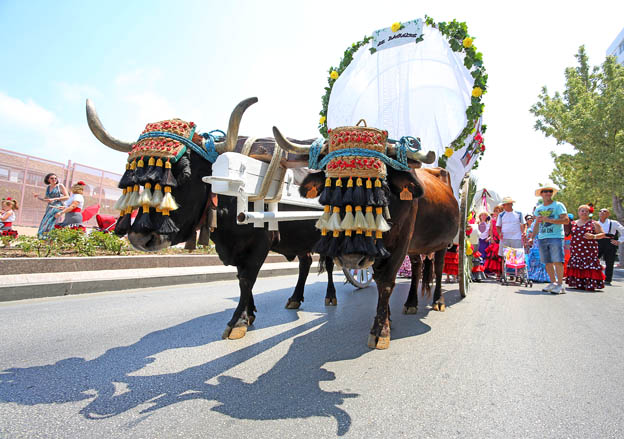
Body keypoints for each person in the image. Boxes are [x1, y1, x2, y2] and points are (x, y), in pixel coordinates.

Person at [529, 185, 569, 294]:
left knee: (557, 260)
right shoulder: (539, 209)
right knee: (547, 262)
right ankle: (553, 282)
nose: (547, 193)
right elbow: (537, 224)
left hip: (556, 236)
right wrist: (532, 237)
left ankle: (560, 285)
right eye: (545, 191)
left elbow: (566, 220)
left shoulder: (558, 205)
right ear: (541, 194)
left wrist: (549, 220)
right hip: (542, 237)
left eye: (549, 191)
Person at [566, 205, 606, 291]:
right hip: (576, 249)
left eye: (586, 211)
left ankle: (590, 283)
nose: (584, 213)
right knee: (577, 263)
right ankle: (578, 283)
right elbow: (566, 233)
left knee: (589, 265)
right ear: (578, 212)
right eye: (582, 211)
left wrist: (593, 236)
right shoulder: (573, 223)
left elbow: (603, 234)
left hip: (589, 250)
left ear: (589, 213)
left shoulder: (594, 223)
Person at [33, 173, 68, 238]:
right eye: (52, 178)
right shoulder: (48, 187)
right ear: (48, 180)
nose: (54, 179)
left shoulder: (60, 186)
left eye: (55, 178)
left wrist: (55, 198)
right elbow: (46, 199)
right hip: (49, 207)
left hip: (57, 206)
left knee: (50, 222)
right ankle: (43, 238)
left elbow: (67, 197)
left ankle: (48, 238)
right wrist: (38, 197)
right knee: (45, 222)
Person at [597, 208, 624, 285]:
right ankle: (594, 277)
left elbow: (623, 231)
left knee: (609, 262)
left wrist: (619, 241)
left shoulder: (613, 223)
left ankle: (608, 279)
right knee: (594, 260)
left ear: (608, 214)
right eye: (600, 211)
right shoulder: (595, 223)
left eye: (605, 211)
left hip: (609, 243)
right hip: (598, 242)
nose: (602, 212)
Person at [484, 205, 503, 278]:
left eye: (497, 211)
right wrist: (491, 238)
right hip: (495, 238)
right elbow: (491, 230)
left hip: (501, 238)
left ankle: (502, 272)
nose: (496, 212)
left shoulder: (502, 219)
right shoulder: (493, 220)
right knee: (495, 255)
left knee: (501, 256)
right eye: (495, 211)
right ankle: (497, 273)